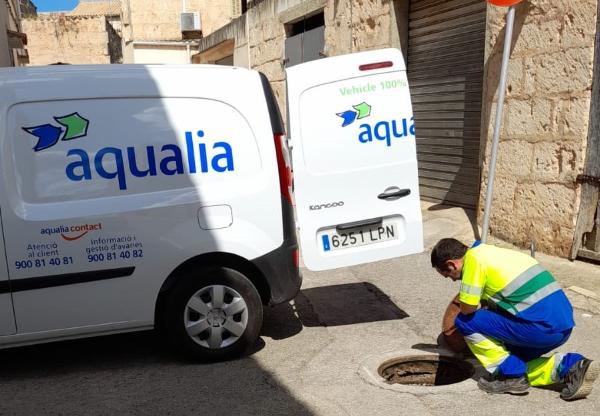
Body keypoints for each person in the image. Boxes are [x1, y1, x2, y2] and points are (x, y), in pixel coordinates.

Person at [431, 238, 599, 400]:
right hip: (563, 327)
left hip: (541, 329)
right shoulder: (494, 253)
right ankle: (572, 366)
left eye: (448, 275)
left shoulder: (474, 260)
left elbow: (467, 309)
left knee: (465, 322)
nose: (452, 279)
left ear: (451, 264)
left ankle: (511, 377)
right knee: (513, 358)